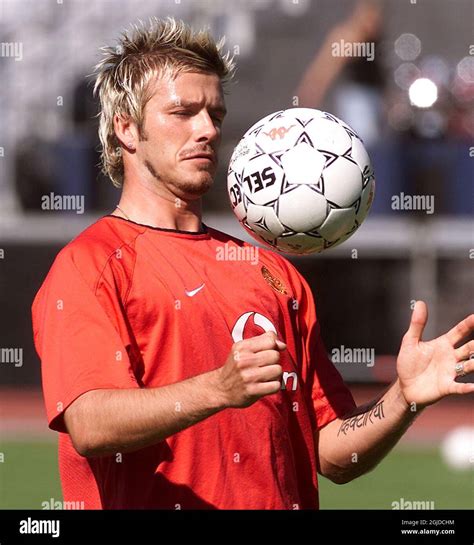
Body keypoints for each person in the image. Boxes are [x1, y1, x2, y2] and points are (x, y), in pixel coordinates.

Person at [31, 17, 474, 510]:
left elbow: (329, 452)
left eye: (215, 114)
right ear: (126, 128)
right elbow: (89, 425)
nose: (207, 129)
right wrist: (217, 389)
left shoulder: (275, 273)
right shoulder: (91, 265)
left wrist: (403, 398)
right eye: (183, 112)